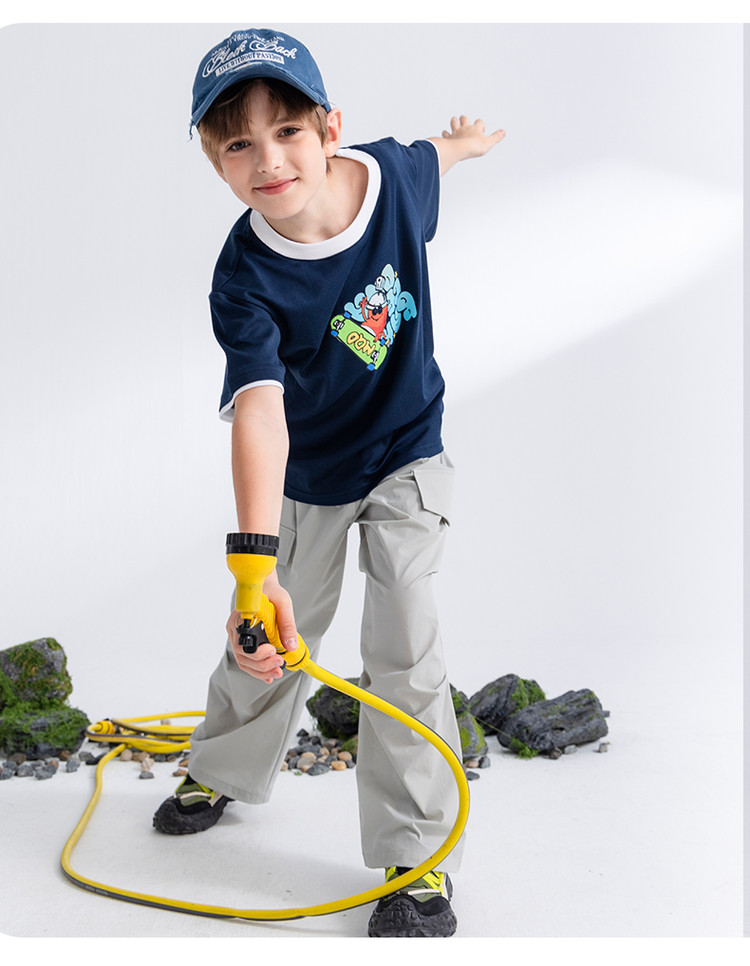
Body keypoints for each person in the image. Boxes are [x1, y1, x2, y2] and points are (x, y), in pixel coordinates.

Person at [153, 27, 504, 938]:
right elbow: (260, 411)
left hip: (407, 450)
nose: (269, 161)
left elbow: (431, 157)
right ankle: (220, 768)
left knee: (406, 640)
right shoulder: (245, 278)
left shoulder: (393, 181)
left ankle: (414, 858)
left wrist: (461, 143)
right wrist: (252, 569)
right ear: (215, 163)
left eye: (287, 133)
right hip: (307, 475)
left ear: (330, 129)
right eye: (239, 145)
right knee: (272, 633)